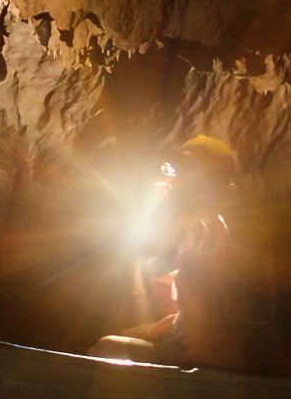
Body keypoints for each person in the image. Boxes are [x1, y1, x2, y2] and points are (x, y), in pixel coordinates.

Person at [116, 135, 277, 372]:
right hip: (198, 340)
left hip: (211, 360)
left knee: (107, 348)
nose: (169, 184)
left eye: (179, 175)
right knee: (126, 329)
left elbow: (210, 314)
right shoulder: (202, 226)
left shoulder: (223, 230)